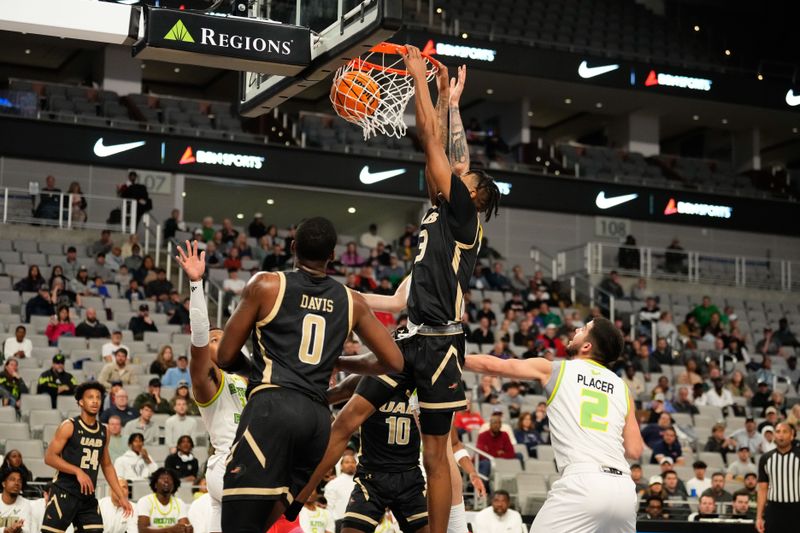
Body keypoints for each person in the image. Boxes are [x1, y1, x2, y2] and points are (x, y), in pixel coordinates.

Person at [288, 54, 501, 533]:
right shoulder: (448, 207)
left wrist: (422, 86)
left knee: (435, 455)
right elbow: (455, 153)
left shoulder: (464, 215)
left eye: (462, 177)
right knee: (349, 417)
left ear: (473, 197)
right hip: (409, 338)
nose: (453, 170)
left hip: (443, 345)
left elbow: (433, 141)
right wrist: (452, 100)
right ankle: (295, 498)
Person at [463, 318, 642, 532]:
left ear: (587, 346)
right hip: (623, 489)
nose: (576, 329)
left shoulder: (555, 370)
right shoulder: (623, 388)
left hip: (584, 482)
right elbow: (635, 450)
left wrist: (449, 357)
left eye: (584, 329)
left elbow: (496, 365)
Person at [42, 382, 132, 531]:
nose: (95, 400)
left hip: (87, 496)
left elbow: (107, 465)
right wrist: (77, 471)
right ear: (81, 402)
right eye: (90, 397)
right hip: (64, 492)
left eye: (98, 397)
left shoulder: (104, 430)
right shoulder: (69, 426)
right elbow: (49, 457)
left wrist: (121, 496)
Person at [756, 422, 800, 533]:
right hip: (773, 510)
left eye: (785, 432)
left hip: (797, 509)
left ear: (792, 435)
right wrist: (759, 517)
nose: (781, 435)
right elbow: (762, 489)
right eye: (778, 431)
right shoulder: (765, 458)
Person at [134, 468, 192, 532]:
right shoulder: (145, 501)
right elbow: (143, 530)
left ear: (174, 485)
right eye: (162, 478)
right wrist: (170, 530)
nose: (166, 480)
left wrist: (188, 529)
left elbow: (183, 528)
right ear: (155, 484)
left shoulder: (179, 503)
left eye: (170, 479)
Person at [322, 453, 356, 527]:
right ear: (341, 466)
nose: (350, 464)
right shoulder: (333, 484)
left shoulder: (361, 483)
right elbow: (329, 507)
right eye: (347, 462)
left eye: (353, 462)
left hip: (358, 523)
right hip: (339, 522)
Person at [0, 467, 32, 533]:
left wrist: (19, 529)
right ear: (3, 483)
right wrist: (5, 530)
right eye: (12, 479)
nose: (17, 483)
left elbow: (27, 530)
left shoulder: (25, 504)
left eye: (19, 481)